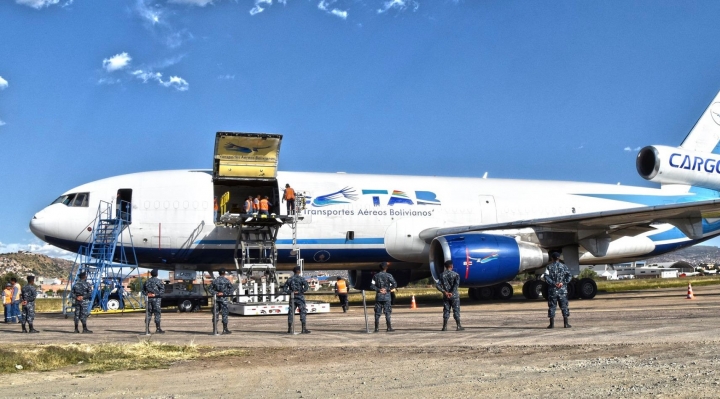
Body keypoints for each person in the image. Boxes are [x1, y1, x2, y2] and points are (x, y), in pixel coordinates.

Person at [545, 252, 573, 328]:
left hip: (552, 290)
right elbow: (569, 275)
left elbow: (546, 277)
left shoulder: (549, 267)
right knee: (564, 306)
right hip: (562, 290)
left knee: (552, 306)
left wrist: (554, 283)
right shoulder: (564, 266)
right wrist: (562, 283)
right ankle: (566, 323)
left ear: (552, 258)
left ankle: (551, 324)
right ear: (559, 258)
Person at [436, 260, 464, 331]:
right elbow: (456, 285)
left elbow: (437, 285)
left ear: (445, 267)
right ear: (451, 266)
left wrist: (444, 292)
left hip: (446, 296)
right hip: (454, 296)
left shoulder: (442, 275)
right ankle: (458, 326)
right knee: (456, 310)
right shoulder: (456, 275)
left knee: (446, 310)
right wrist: (452, 292)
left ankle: (444, 327)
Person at [370, 262, 397, 333]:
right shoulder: (389, 275)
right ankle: (389, 327)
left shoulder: (375, 276)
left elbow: (372, 286)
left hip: (379, 296)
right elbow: (394, 284)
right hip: (387, 296)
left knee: (377, 313)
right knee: (387, 312)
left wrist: (379, 290)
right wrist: (387, 289)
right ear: (386, 268)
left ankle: (376, 328)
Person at [283, 266, 310, 334]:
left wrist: (291, 292)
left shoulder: (290, 279)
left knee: (291, 313)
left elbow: (285, 289)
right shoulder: (301, 279)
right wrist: (300, 291)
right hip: (300, 297)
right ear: (299, 271)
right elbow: (306, 287)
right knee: (303, 312)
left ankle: (290, 329)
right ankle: (303, 329)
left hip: (292, 298)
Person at [208, 269, 234, 335]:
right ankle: (225, 329)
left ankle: (215, 330)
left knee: (215, 315)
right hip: (224, 300)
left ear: (219, 273)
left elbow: (209, 289)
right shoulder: (226, 281)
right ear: (224, 273)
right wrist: (224, 293)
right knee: (224, 314)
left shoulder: (215, 281)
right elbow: (231, 289)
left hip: (216, 300)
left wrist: (216, 293)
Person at [142, 269, 165, 334]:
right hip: (156, 300)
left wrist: (147, 294)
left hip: (148, 299)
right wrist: (156, 294)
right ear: (156, 274)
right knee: (157, 313)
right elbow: (162, 290)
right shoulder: (159, 281)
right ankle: (158, 329)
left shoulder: (147, 281)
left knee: (148, 314)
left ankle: (147, 329)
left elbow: (143, 290)